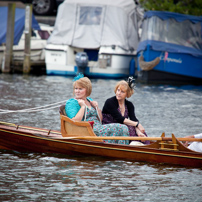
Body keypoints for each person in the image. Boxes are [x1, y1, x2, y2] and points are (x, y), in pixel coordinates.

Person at [65, 73, 130, 145]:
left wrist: (97, 108)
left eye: (80, 89)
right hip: (87, 130)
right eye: (76, 88)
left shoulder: (89, 100)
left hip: (98, 127)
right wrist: (83, 107)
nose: (77, 91)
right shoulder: (71, 103)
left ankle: (119, 149)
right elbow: (75, 121)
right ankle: (121, 150)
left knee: (124, 128)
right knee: (122, 128)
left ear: (87, 90)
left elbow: (100, 119)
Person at [102, 77, 150, 144]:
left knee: (139, 131)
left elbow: (133, 119)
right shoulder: (109, 102)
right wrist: (137, 124)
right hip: (109, 127)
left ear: (127, 94)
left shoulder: (129, 105)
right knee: (126, 128)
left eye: (122, 92)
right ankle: (131, 146)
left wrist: (138, 131)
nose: (119, 93)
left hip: (122, 126)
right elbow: (120, 119)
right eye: (118, 90)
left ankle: (144, 145)